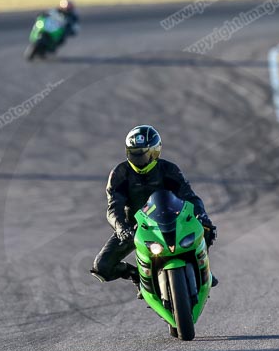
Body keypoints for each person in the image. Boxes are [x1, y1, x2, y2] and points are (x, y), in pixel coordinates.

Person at [91, 125, 218, 292]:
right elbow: (113, 208)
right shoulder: (119, 173)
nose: (138, 159)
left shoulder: (168, 169)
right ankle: (137, 276)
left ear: (155, 152)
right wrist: (121, 228)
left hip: (172, 220)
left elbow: (189, 196)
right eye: (133, 154)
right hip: (136, 227)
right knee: (102, 267)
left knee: (207, 228)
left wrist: (201, 214)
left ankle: (204, 268)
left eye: (143, 154)